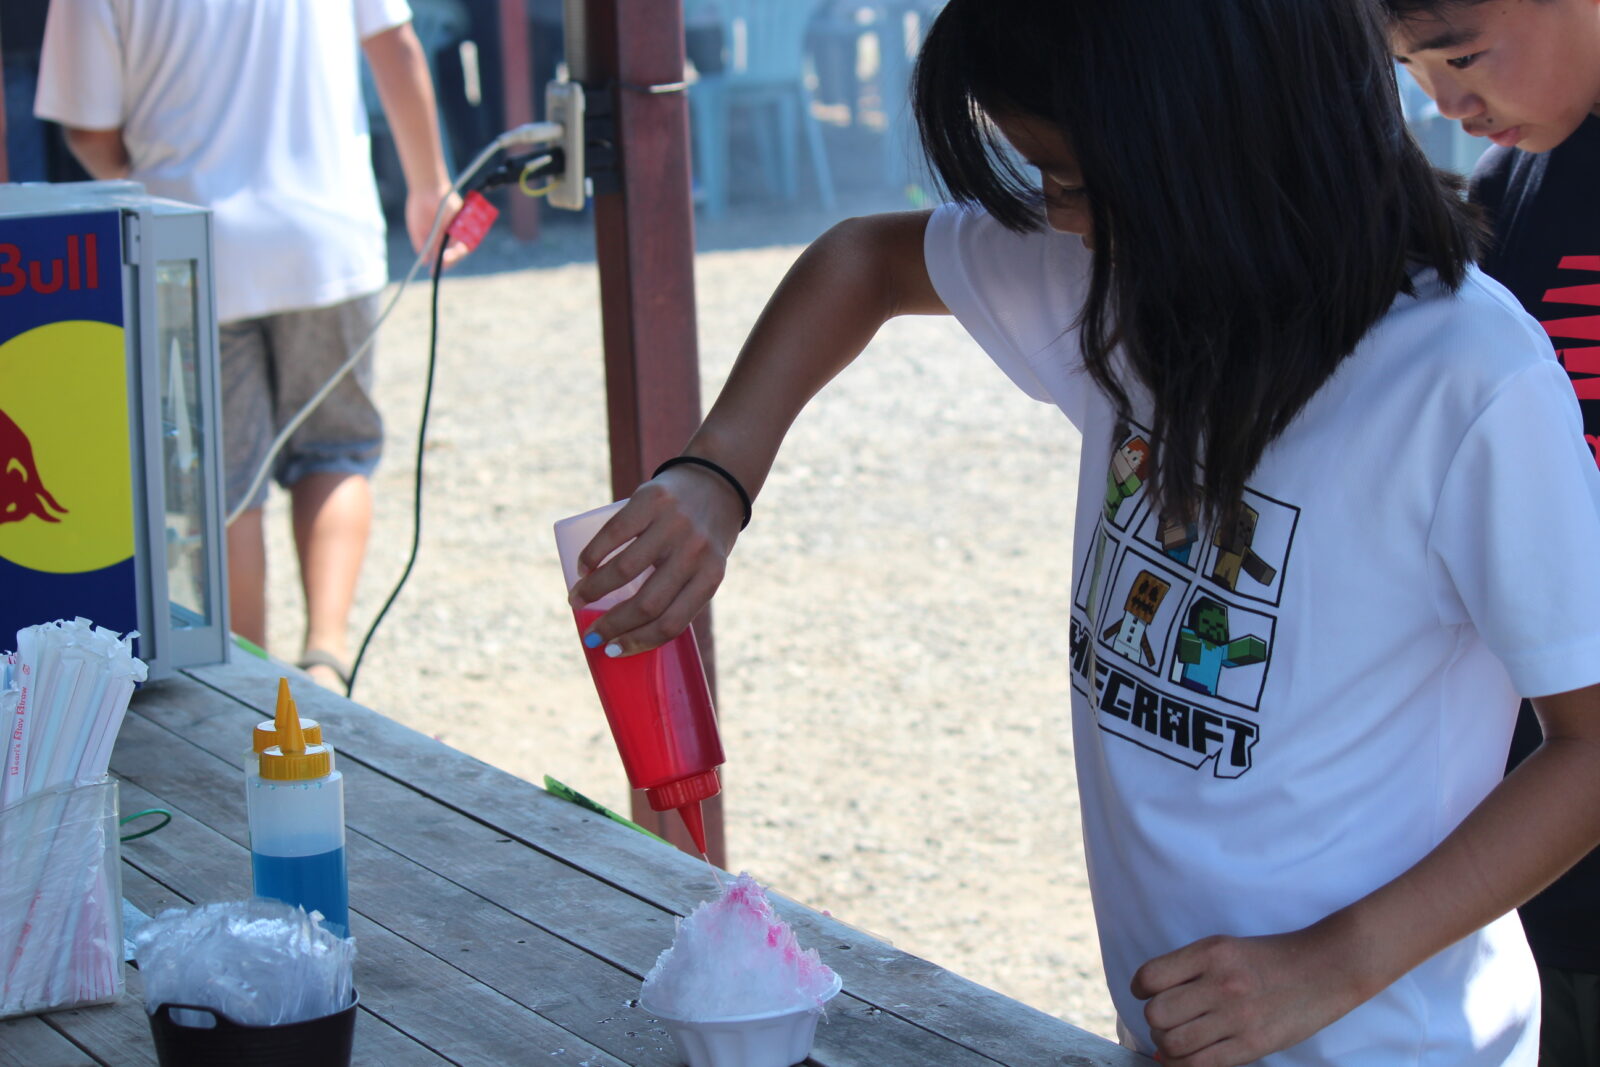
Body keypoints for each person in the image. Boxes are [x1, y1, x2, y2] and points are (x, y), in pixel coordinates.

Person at [565, 0, 1600, 1062]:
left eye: (1070, 180)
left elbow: (1589, 745)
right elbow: (865, 261)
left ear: (1215, 143)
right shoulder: (1140, 283)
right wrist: (719, 470)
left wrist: (1331, 964)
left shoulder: (1465, 377)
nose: (1059, 221)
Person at [34, 0, 469, 691]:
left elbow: (88, 126)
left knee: (221, 479)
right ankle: (326, 656)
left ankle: (251, 678)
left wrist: (148, 170)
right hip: (327, 233)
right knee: (336, 449)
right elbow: (395, 45)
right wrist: (430, 185)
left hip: (187, 241)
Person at [1386, 1, 1600, 1062]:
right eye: (1414, 69)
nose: (1447, 103)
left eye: (1462, 54)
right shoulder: (1509, 191)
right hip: (1550, 832)